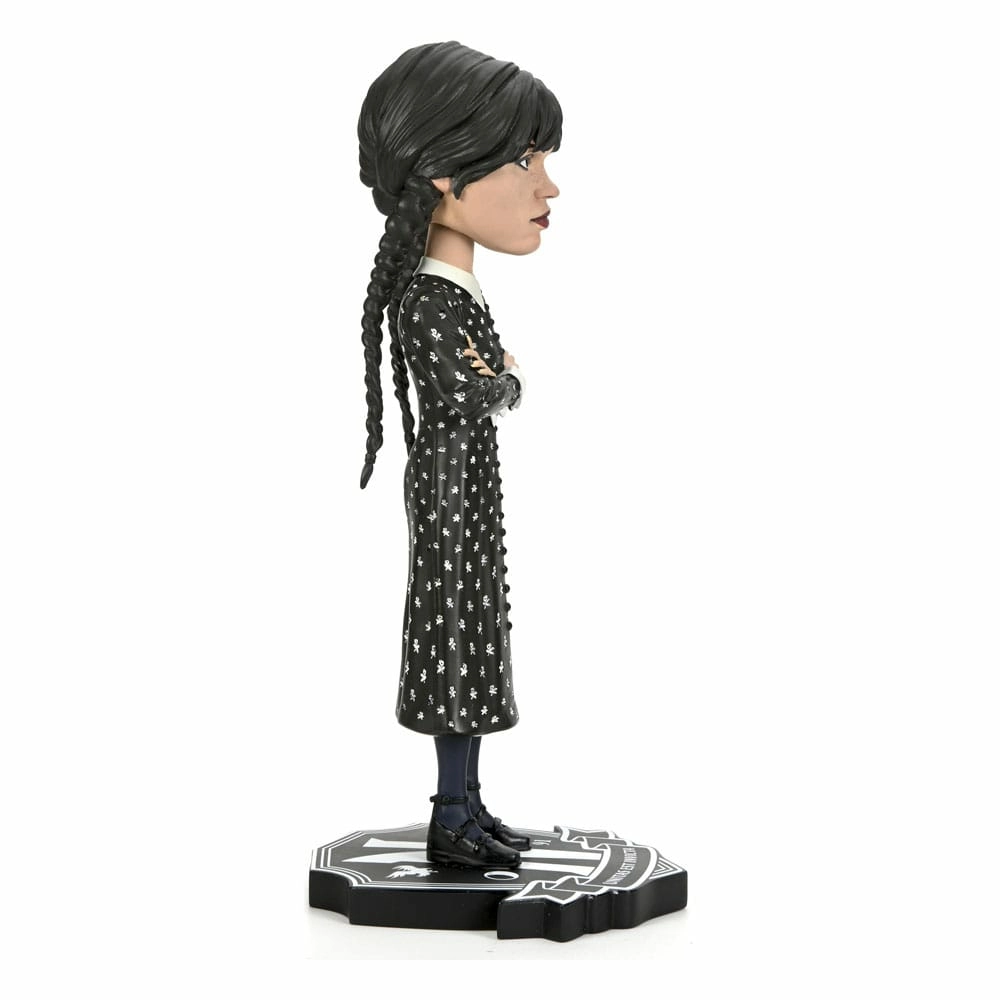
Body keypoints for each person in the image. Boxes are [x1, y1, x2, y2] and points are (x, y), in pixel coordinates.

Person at [356, 41, 561, 869]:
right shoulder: (430, 300)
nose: (548, 187)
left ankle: (468, 805)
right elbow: (468, 391)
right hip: (450, 506)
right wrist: (507, 380)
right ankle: (450, 815)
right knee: (456, 652)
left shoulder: (453, 293)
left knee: (475, 648)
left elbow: (479, 383)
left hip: (467, 501)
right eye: (526, 160)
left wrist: (496, 377)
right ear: (444, 174)